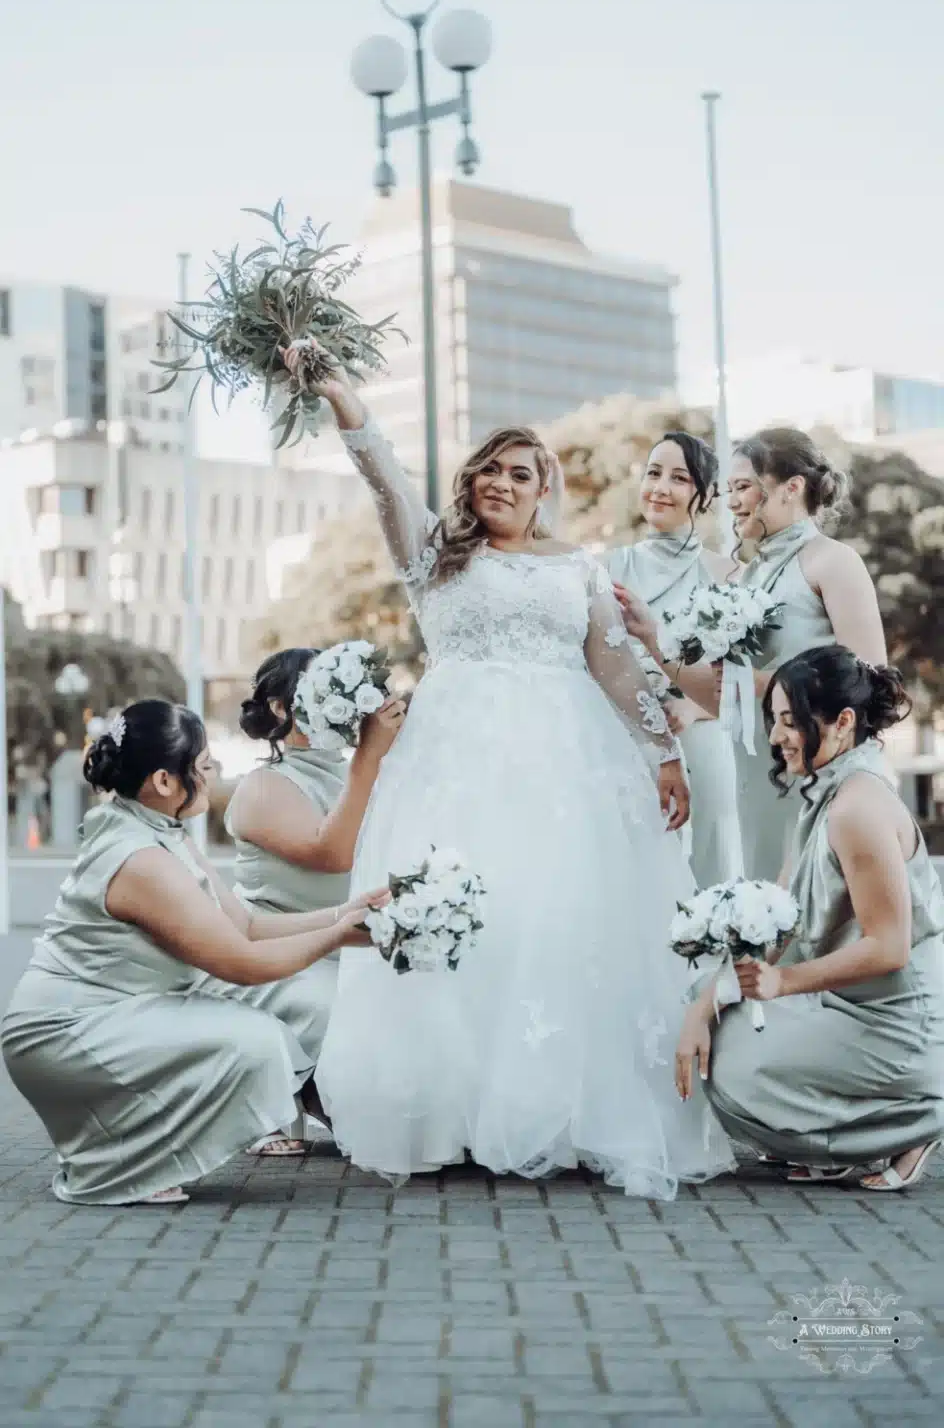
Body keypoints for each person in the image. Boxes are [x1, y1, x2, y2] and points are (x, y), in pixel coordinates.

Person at [291, 351, 735, 1200]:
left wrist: (663, 754)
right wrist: (348, 404)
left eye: (521, 473)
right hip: (454, 765)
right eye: (490, 468)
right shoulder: (432, 555)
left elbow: (612, 665)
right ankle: (451, 1112)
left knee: (558, 921)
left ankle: (557, 1111)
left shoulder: (580, 567)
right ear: (471, 483)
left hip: (570, 769)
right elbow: (385, 482)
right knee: (468, 921)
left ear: (544, 491)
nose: (502, 482)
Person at [0, 700, 385, 1206]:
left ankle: (127, 1147)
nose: (213, 772)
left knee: (265, 1029)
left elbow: (245, 925)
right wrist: (337, 936)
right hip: (65, 1032)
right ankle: (120, 1164)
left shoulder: (156, 829)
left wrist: (344, 915)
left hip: (111, 1011)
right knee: (256, 1042)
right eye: (204, 765)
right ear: (164, 780)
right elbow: (241, 964)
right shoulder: (140, 859)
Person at [675, 646, 944, 1191]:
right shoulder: (829, 792)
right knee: (709, 1024)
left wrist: (781, 983)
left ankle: (914, 1118)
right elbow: (782, 912)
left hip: (898, 1025)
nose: (776, 738)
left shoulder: (857, 809)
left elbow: (890, 947)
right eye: (775, 721)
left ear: (843, 723)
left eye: (791, 722)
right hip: (851, 1007)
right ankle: (868, 1134)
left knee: (732, 1072)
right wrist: (706, 1001)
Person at [621, 428, 886, 880]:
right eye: (728, 491)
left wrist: (763, 685)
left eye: (743, 487)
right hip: (756, 776)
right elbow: (725, 697)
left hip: (820, 777)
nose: (732, 502)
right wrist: (653, 640)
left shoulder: (832, 561)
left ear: (791, 487)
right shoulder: (746, 580)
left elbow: (872, 680)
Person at [195, 649, 406, 1156]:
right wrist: (369, 759)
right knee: (341, 1007)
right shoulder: (264, 786)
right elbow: (330, 852)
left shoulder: (367, 771)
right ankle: (288, 1095)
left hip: (353, 944)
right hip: (278, 951)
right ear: (281, 708)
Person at [606, 433, 741, 888]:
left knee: (714, 828)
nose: (660, 487)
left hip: (700, 729)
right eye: (653, 473)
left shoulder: (727, 573)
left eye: (679, 478)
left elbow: (741, 677)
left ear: (703, 496)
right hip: (629, 732)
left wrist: (695, 706)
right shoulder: (609, 567)